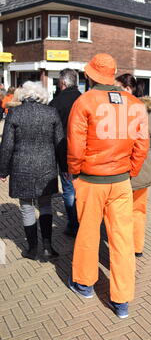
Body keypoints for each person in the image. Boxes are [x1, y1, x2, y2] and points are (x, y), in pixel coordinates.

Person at [67, 53, 149, 319]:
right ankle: (122, 301)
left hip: (92, 180)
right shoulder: (134, 104)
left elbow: (76, 146)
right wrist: (130, 172)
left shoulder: (84, 102)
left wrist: (75, 173)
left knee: (88, 233)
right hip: (121, 181)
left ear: (90, 75)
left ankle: (85, 283)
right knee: (123, 240)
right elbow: (142, 146)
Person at [0, 81, 66, 261]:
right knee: (45, 205)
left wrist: (3, 171)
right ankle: (47, 247)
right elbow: (60, 143)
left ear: (24, 95)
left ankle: (32, 249)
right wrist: (65, 168)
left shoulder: (15, 113)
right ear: (41, 95)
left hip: (22, 168)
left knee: (27, 207)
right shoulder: (51, 113)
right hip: (47, 167)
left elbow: (6, 145)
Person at [115, 73, 151, 258]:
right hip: (145, 171)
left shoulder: (126, 111)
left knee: (122, 213)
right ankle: (137, 247)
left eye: (118, 87)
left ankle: (124, 247)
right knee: (139, 210)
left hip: (128, 170)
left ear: (127, 89)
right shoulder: (147, 110)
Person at [49, 69, 81, 237]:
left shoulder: (55, 103)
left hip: (65, 154)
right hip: (86, 154)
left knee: (69, 190)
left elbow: (49, 132)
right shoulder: (86, 99)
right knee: (84, 189)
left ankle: (74, 225)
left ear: (62, 83)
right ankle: (86, 222)